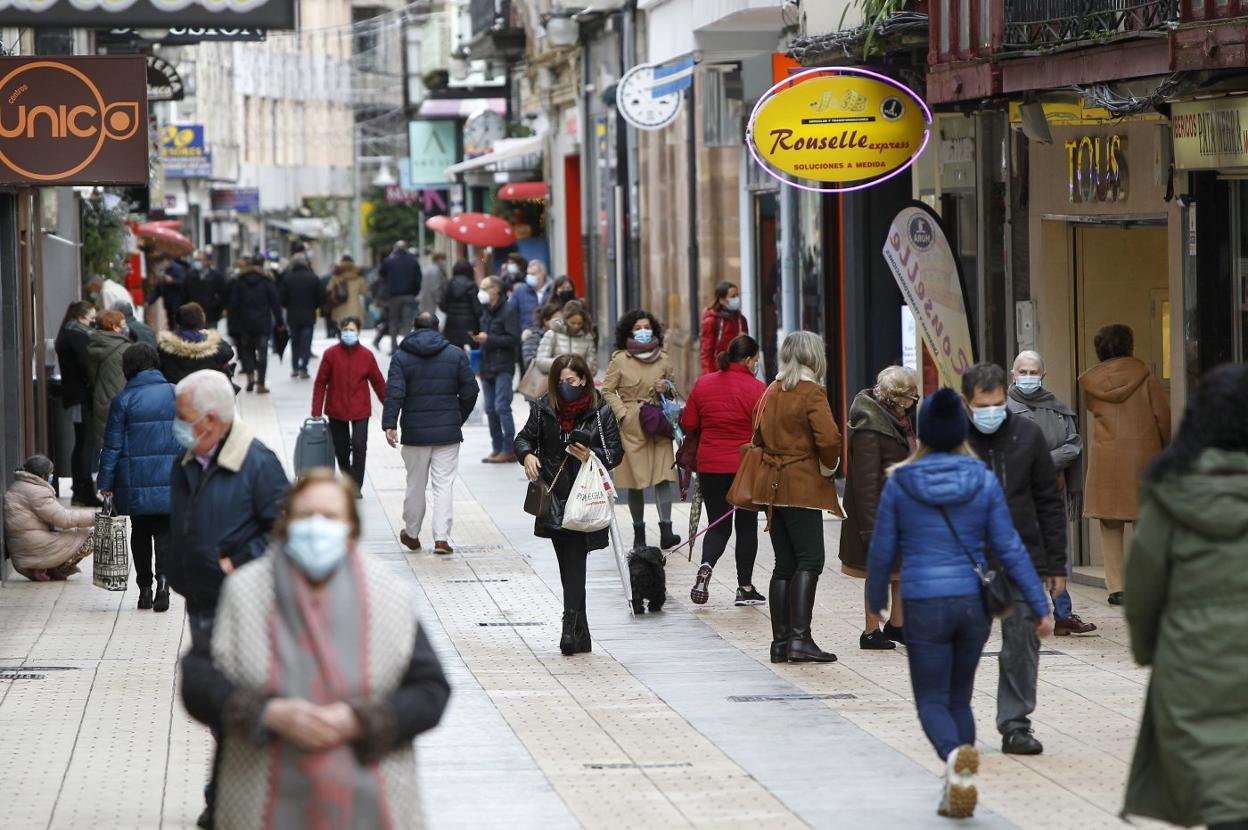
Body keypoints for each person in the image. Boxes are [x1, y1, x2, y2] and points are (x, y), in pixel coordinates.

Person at [180, 470, 451, 829]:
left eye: (330, 517)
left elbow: (431, 689)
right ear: (286, 523)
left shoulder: (389, 595)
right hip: (261, 798)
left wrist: (360, 720)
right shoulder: (245, 591)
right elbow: (199, 679)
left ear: (351, 530)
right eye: (306, 516)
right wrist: (268, 714)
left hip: (370, 802)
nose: (316, 526)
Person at [868, 388, 1054, 819]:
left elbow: (882, 549)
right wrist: (1038, 604)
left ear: (921, 432)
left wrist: (877, 599)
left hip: (924, 604)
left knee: (931, 700)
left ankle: (954, 758)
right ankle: (960, 780)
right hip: (973, 605)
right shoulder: (982, 479)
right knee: (959, 699)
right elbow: (1009, 548)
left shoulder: (901, 481)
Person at [1121, 364, 1248, 830]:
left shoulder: (1174, 494)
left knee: (1225, 799)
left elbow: (1143, 588)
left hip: (1194, 665)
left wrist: (1149, 649)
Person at [167, 369, 289, 828]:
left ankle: (228, 797)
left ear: (212, 420)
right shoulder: (186, 458)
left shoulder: (257, 462)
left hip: (243, 607)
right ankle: (227, 795)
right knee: (220, 706)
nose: (176, 426)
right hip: (199, 598)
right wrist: (175, 565)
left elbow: (283, 532)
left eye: (183, 418)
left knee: (233, 706)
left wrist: (237, 561)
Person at [962, 362, 1066, 756]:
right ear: (966, 403)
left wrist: (1056, 566)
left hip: (1022, 559)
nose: (991, 412)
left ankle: (1016, 724)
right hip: (967, 563)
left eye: (998, 403)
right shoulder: (951, 442)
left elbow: (1049, 504)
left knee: (1022, 644)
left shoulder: (1028, 435)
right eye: (982, 405)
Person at [515, 354, 623, 655]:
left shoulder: (599, 410)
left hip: (584, 495)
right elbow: (523, 439)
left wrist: (590, 454)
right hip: (553, 494)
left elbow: (615, 452)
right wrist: (527, 456)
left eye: (572, 382)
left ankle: (569, 627)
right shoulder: (543, 408)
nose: (566, 387)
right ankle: (581, 631)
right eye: (561, 382)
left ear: (584, 380)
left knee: (574, 560)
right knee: (568, 563)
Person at [752, 331, 844, 664]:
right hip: (802, 483)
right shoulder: (811, 392)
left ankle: (781, 642)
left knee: (784, 563)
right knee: (810, 560)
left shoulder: (771, 391)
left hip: (770, 486)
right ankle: (800, 639)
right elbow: (830, 437)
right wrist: (827, 465)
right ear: (814, 356)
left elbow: (758, 434)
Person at [1079, 324, 1171, 606]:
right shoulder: (1146, 377)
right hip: (1144, 455)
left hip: (1107, 457)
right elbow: (1162, 419)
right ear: (1130, 345)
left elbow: (1094, 411)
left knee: (1110, 524)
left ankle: (1117, 587)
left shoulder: (1090, 383)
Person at [1008, 351, 1096, 636]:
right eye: (1023, 372)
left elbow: (1073, 445)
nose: (1028, 378)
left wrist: (1044, 461)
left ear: (1043, 375)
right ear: (1012, 374)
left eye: (1033, 372)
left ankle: (1064, 614)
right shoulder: (1002, 410)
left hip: (1050, 493)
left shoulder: (1058, 409)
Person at [383, 312, 479, 554]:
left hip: (415, 433)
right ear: (438, 328)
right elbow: (471, 390)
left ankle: (412, 534)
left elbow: (394, 392)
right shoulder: (455, 354)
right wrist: (457, 416)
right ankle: (441, 538)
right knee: (444, 485)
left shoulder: (401, 357)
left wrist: (390, 424)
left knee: (415, 484)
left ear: (414, 328)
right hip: (447, 433)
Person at [97, 344, 182, 612]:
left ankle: (144, 589)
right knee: (166, 534)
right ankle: (164, 584)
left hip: (134, 482)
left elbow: (112, 446)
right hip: (170, 478)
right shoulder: (175, 392)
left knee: (140, 532)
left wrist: (105, 484)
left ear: (128, 368)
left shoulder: (123, 400)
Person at [682, 336, 766, 607]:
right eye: (756, 360)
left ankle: (706, 566)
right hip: (744, 468)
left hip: (710, 466)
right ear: (749, 359)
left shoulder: (704, 383)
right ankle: (744, 588)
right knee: (746, 525)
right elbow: (764, 431)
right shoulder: (758, 389)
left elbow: (689, 422)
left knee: (718, 523)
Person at [839, 365, 918, 650]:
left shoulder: (898, 422)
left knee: (901, 570)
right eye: (911, 396)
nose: (914, 401)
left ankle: (898, 625)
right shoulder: (870, 429)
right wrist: (871, 530)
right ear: (897, 398)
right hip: (877, 516)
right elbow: (866, 484)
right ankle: (871, 630)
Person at [602, 310, 682, 550]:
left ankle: (666, 531)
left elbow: (673, 389)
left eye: (647, 326)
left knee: (663, 477)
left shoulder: (663, 358)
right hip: (632, 425)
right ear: (629, 331)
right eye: (638, 327)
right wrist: (623, 414)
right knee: (635, 480)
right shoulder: (620, 360)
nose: (644, 331)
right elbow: (607, 390)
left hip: (658, 422)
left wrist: (666, 387)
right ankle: (639, 534)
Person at [312, 317, 385, 494]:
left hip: (360, 409)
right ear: (340, 331)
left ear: (359, 332)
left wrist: (390, 407)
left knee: (360, 446)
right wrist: (316, 410)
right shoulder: (331, 354)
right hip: (336, 409)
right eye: (346, 330)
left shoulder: (367, 356)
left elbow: (378, 383)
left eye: (352, 330)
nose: (349, 333)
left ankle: (355, 486)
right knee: (341, 449)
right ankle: (347, 479)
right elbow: (321, 382)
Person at [3, 454, 94, 581]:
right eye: (50, 473)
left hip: (23, 547)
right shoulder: (36, 492)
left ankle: (49, 569)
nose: (52, 476)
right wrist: (94, 518)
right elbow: (64, 519)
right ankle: (46, 566)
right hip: (33, 548)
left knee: (68, 533)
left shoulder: (19, 486)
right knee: (91, 536)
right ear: (42, 475)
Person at [55, 301, 101, 506]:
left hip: (75, 396)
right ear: (81, 316)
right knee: (85, 443)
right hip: (81, 396)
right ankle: (84, 492)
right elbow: (87, 366)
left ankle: (80, 490)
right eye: (91, 316)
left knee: (82, 442)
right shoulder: (76, 336)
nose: (94, 321)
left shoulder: (68, 333)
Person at [475, 275, 521, 463]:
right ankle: (497, 447)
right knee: (490, 408)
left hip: (503, 364)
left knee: (502, 406)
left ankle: (509, 448)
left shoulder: (508, 310)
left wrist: (489, 339)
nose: (481, 291)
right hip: (487, 364)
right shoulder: (486, 310)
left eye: (485, 288)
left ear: (496, 290)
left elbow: (513, 339)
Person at [229, 255, 285, 394]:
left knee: (247, 351)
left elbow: (233, 304)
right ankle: (261, 383)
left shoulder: (240, 281)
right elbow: (275, 303)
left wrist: (234, 323)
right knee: (262, 353)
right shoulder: (266, 281)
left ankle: (250, 378)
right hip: (262, 323)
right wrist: (280, 321)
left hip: (245, 324)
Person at [157, 302, 236, 385]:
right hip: (206, 391)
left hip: (175, 391)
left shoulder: (164, 346)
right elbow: (229, 353)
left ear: (177, 321)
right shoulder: (213, 344)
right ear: (201, 320)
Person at [87, 309, 132, 452]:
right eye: (122, 324)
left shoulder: (93, 345)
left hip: (100, 398)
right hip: (123, 399)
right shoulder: (125, 348)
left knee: (106, 447)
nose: (125, 327)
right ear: (114, 326)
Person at [279, 252, 325, 380]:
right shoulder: (313, 278)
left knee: (295, 342)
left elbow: (282, 298)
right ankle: (303, 367)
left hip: (293, 316)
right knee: (306, 342)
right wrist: (314, 305)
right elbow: (321, 297)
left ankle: (294, 367)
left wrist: (289, 305)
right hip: (309, 315)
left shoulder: (287, 278)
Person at [699, 281, 749, 377]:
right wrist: (709, 376)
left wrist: (745, 340)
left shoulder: (741, 320)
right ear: (721, 300)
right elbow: (706, 354)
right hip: (719, 372)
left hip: (739, 373)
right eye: (732, 296)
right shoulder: (711, 322)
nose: (737, 299)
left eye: (737, 295)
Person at [380, 241, 422, 354]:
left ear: (395, 249)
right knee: (407, 322)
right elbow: (418, 278)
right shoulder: (413, 261)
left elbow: (382, 275)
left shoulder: (389, 261)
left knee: (393, 321)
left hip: (393, 296)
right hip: (409, 295)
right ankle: (407, 348)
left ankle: (394, 348)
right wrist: (415, 292)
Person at [535, 299, 596, 376]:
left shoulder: (587, 337)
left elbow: (593, 367)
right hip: (555, 382)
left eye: (579, 323)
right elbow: (540, 362)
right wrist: (563, 364)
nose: (576, 326)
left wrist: (584, 367)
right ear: (565, 320)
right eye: (572, 323)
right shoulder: (552, 334)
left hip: (579, 383)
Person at [440, 259, 483, 350]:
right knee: (474, 350)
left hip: (452, 325)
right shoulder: (472, 285)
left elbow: (442, 305)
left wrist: (451, 311)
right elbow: (477, 308)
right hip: (470, 325)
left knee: (454, 350)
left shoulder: (449, 284)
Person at [184, 251, 228, 328]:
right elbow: (184, 294)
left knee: (211, 337)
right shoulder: (190, 276)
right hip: (194, 316)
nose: (197, 262)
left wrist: (216, 306)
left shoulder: (216, 276)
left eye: (200, 260)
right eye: (196, 260)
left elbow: (223, 294)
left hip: (211, 315)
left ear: (208, 262)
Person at [512, 259, 549, 349]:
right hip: (527, 339)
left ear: (542, 275)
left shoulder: (551, 291)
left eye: (533, 274)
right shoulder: (520, 292)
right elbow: (512, 314)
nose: (529, 277)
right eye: (528, 274)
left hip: (548, 339)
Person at [328, 255, 367, 330]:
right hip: (354, 307)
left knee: (342, 329)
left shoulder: (336, 276)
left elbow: (329, 289)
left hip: (339, 306)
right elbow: (363, 291)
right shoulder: (358, 277)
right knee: (353, 329)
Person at [523, 303, 561, 375]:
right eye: (557, 320)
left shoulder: (563, 336)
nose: (561, 323)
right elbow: (529, 362)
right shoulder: (533, 336)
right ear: (546, 321)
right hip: (540, 379)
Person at [420, 250, 448, 315]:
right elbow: (436, 288)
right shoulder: (437, 270)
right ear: (439, 259)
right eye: (444, 259)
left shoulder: (426, 268)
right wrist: (440, 301)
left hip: (424, 300)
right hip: (433, 302)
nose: (445, 262)